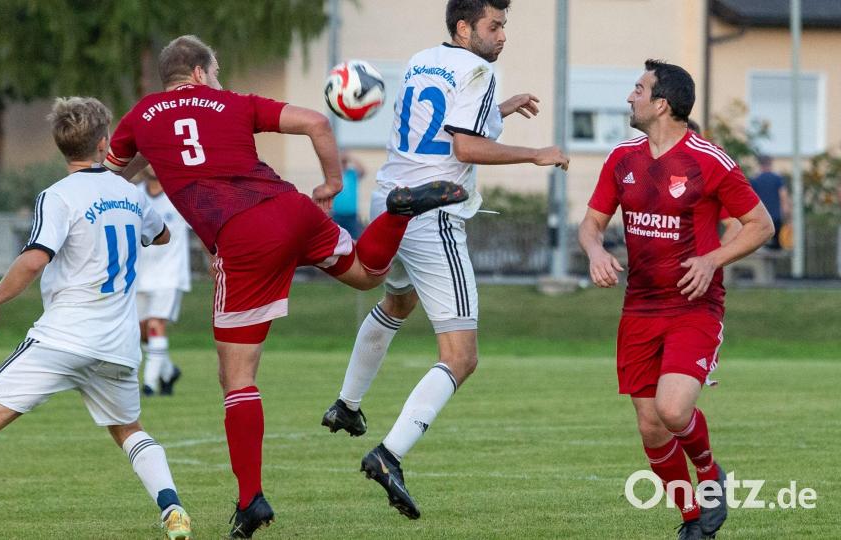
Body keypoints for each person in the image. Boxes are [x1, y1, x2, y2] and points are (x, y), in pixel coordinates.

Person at [104, 35, 467, 538]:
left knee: (238, 380)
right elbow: (317, 122)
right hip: (290, 208)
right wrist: (332, 183)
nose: (220, 79)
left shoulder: (141, 116)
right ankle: (399, 211)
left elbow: (110, 173)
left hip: (244, 238)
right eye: (218, 70)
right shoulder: (233, 103)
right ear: (200, 73)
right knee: (368, 272)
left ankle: (251, 498)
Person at [319, 0, 569, 521]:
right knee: (461, 356)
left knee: (398, 302)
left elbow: (441, 125)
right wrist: (535, 154)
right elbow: (464, 148)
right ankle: (389, 455)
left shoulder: (421, 59)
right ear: (464, 27)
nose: (503, 36)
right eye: (493, 26)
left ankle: (347, 404)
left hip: (391, 200)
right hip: (433, 212)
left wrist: (499, 111)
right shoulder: (480, 70)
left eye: (504, 26)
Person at [0, 98, 193, 540]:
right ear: (105, 142)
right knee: (128, 430)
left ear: (60, 147)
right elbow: (160, 234)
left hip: (64, 338)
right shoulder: (131, 194)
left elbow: (33, 261)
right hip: (118, 345)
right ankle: (174, 511)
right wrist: (128, 177)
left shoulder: (57, 196)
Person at [578, 60, 773, 539]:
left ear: (661, 103)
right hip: (639, 308)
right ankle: (692, 523)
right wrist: (595, 250)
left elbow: (761, 225)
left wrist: (712, 261)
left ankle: (710, 473)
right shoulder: (622, 158)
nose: (630, 96)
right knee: (650, 428)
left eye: (638, 89)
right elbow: (591, 224)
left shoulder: (709, 160)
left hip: (694, 308)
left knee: (672, 410)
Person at [134, 166, 192, 396]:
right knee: (141, 333)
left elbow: (202, 226)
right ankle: (168, 372)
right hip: (139, 276)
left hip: (169, 274)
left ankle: (149, 384)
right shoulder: (133, 194)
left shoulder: (179, 195)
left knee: (156, 326)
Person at [750, 154, 791, 249]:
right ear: (771, 163)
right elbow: (783, 197)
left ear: (760, 164)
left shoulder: (755, 180)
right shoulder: (777, 179)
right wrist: (787, 215)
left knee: (762, 245)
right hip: (776, 217)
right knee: (776, 247)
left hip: (761, 217)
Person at [332, 151, 366, 238]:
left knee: (355, 240)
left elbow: (363, 170)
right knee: (337, 240)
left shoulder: (352, 174)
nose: (343, 164)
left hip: (351, 216)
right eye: (341, 162)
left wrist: (350, 157)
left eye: (344, 162)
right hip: (336, 215)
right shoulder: (334, 175)